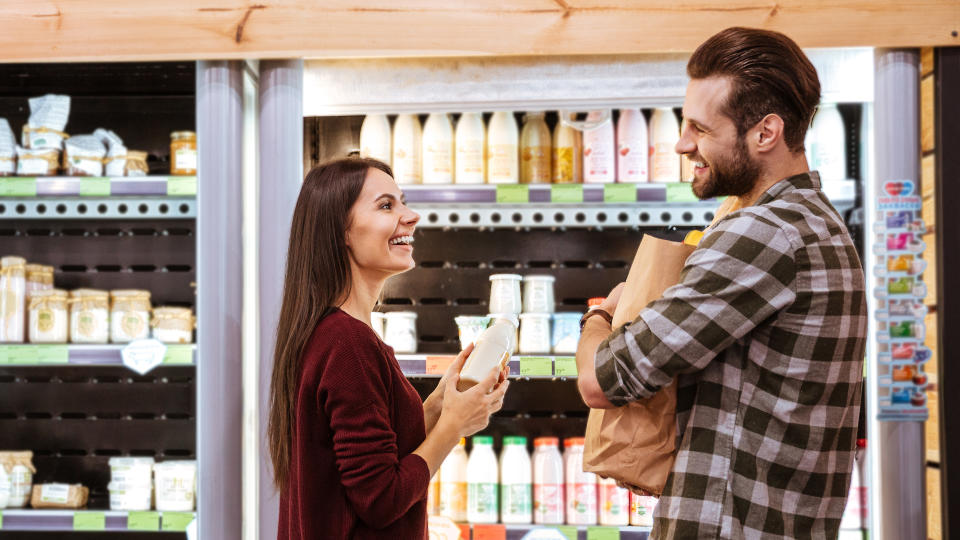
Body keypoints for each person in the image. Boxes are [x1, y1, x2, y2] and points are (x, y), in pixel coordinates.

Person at [575, 27, 867, 539]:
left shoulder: (765, 232)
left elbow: (602, 380)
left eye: (701, 129)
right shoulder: (819, 222)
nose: (683, 144)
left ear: (765, 132)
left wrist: (603, 314)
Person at [268, 158, 510, 539]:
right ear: (341, 231)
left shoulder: (330, 333)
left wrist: (439, 404)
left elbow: (375, 455)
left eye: (403, 202)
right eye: (386, 205)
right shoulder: (349, 344)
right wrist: (453, 427)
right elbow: (381, 499)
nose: (411, 216)